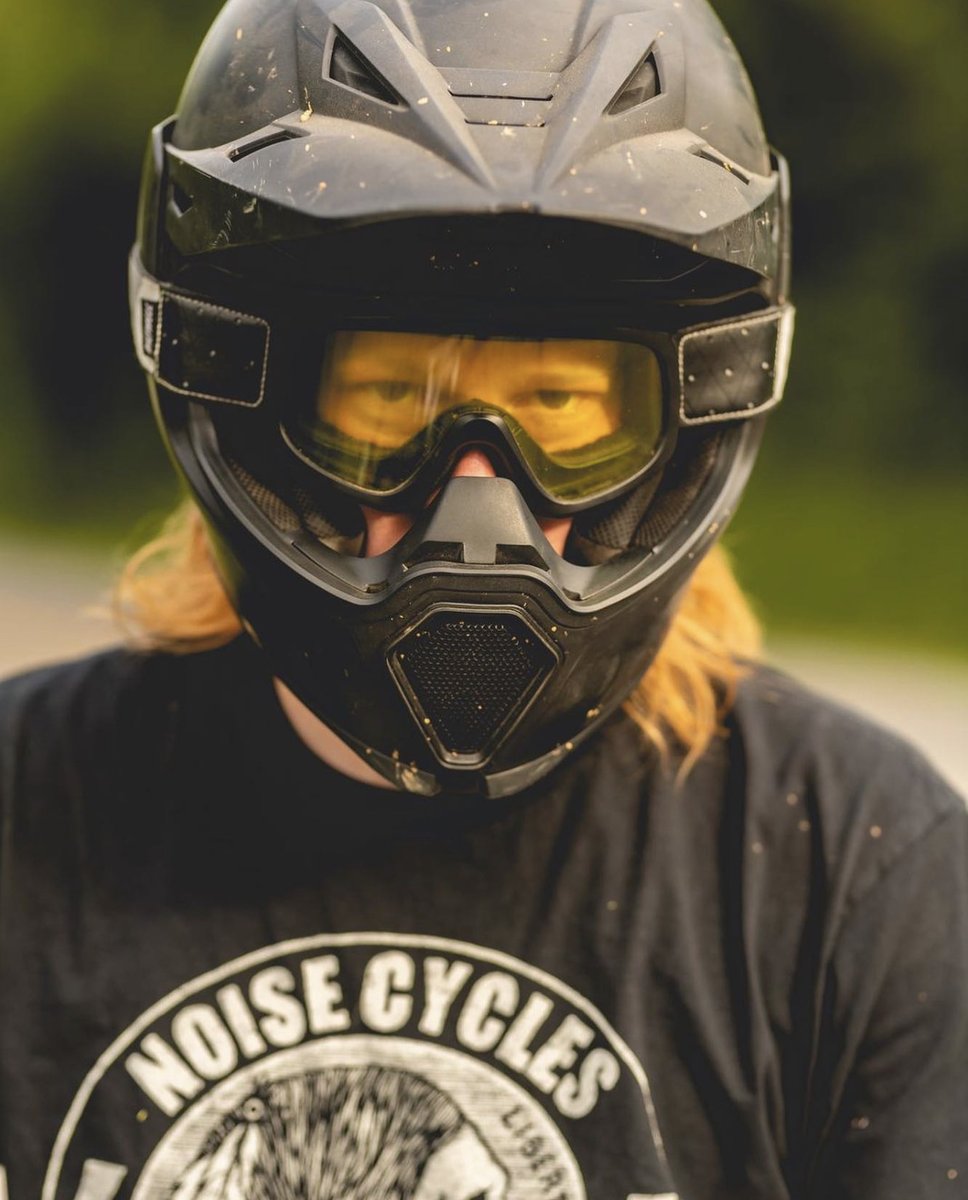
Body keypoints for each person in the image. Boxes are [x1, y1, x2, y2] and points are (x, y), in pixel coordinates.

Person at [0, 0, 965, 1197]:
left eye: (561, 407)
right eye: (387, 400)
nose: (477, 504)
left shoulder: (844, 879)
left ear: (683, 418)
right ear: (235, 388)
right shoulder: (25, 823)